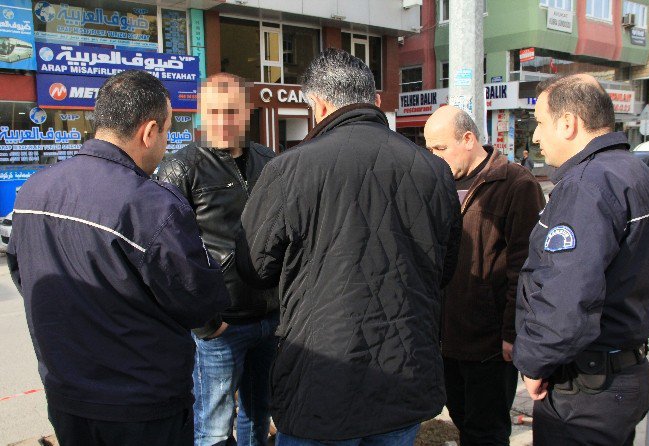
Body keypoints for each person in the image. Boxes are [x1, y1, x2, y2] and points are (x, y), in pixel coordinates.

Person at [235, 48, 462, 445]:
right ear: (374, 101)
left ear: (318, 105)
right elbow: (445, 267)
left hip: (320, 383)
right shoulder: (434, 170)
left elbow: (254, 266)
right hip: (402, 376)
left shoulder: (289, 168)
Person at [6, 70, 231, 446]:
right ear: (149, 131)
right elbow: (196, 299)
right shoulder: (151, 205)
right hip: (142, 406)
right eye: (167, 132)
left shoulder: (33, 190)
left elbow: (24, 276)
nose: (165, 145)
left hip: (67, 395)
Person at [513, 74, 649, 446]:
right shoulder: (642, 177)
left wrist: (534, 362)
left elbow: (567, 293)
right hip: (622, 374)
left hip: (586, 389)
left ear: (568, 124)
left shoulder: (586, 185)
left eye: (540, 122)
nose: (536, 136)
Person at [158, 73, 278, 446]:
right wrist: (206, 323)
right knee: (212, 426)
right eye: (212, 112)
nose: (222, 122)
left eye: (231, 112)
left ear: (248, 111)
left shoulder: (269, 161)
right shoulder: (180, 168)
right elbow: (169, 255)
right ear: (199, 114)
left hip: (270, 320)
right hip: (221, 327)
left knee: (259, 416)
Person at [424, 105, 545, 446]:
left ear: (468, 139)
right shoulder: (437, 183)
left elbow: (526, 266)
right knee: (462, 420)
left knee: (486, 432)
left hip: (489, 344)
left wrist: (512, 333)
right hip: (446, 338)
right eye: (429, 148)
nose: (433, 156)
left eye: (440, 148)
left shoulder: (516, 183)